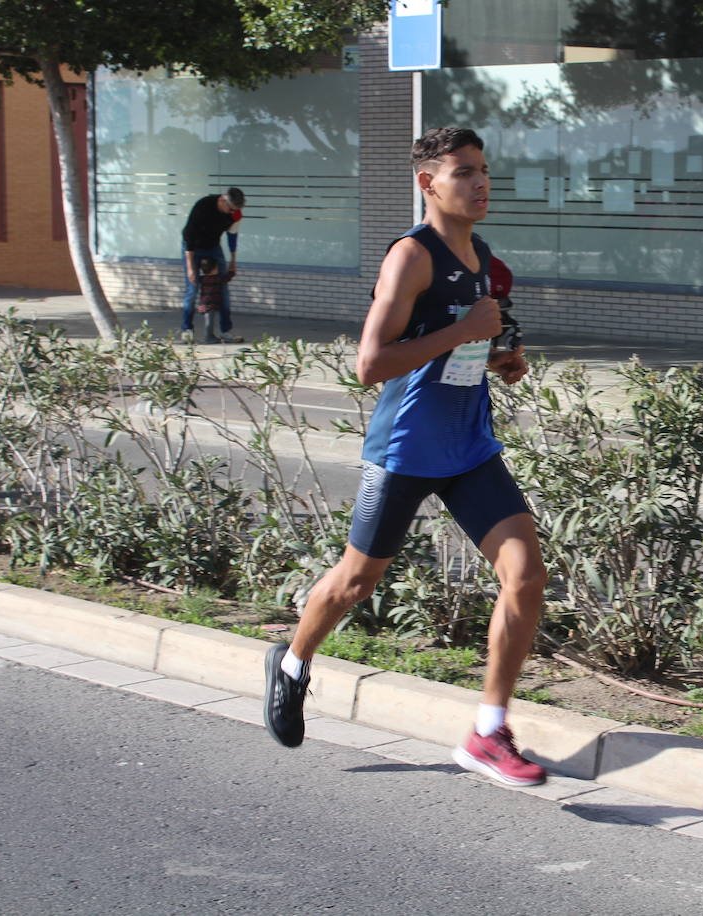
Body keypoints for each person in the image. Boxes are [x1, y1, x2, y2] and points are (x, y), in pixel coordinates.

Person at [263, 126, 548, 787]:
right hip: (408, 445)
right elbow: (370, 365)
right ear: (428, 183)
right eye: (463, 173)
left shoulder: (480, 254)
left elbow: (464, 346)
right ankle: (292, 663)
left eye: (483, 170)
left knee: (526, 574)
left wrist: (498, 357)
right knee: (355, 584)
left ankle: (488, 731)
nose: (480, 183)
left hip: (469, 444)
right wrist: (464, 331)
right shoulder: (411, 257)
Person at [180, 187, 245, 344]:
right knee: (192, 288)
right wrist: (190, 268)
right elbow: (189, 237)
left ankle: (225, 330)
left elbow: (232, 236)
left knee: (222, 289)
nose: (232, 213)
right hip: (193, 248)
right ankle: (187, 330)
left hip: (213, 247)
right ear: (222, 200)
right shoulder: (203, 206)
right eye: (230, 209)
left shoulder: (235, 213)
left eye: (235, 210)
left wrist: (233, 261)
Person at [194, 256, 235, 344]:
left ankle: (210, 336)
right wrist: (232, 271)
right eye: (217, 267)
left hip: (203, 303)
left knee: (209, 321)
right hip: (210, 304)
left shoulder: (202, 278)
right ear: (213, 269)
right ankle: (208, 337)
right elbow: (227, 278)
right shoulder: (216, 278)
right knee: (209, 322)